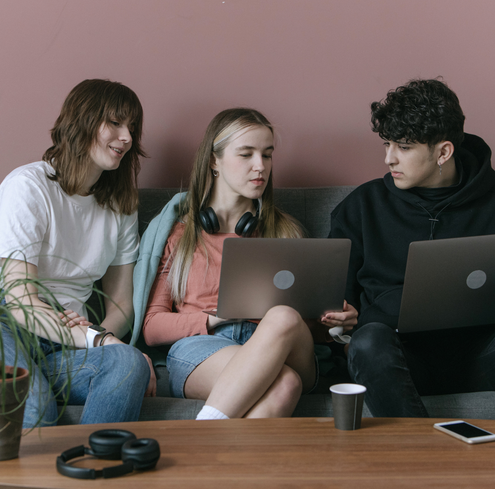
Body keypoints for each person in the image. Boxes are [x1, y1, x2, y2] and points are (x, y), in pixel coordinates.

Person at [136, 108, 357, 419]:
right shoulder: (180, 235)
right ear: (214, 160)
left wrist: (335, 319)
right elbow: (152, 327)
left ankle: (200, 432)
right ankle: (223, 459)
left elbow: (306, 326)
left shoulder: (285, 231)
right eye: (246, 154)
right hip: (203, 348)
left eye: (267, 155)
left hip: (284, 346)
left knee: (282, 316)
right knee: (285, 384)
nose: (260, 167)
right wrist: (216, 317)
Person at [330, 78, 495, 417]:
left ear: (443, 152)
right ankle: (425, 455)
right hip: (395, 358)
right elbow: (334, 301)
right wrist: (340, 317)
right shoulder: (363, 205)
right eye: (387, 144)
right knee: (368, 342)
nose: (389, 158)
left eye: (403, 147)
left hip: (482, 354)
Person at [0, 79, 156, 428]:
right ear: (81, 121)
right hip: (10, 325)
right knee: (37, 408)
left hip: (67, 341)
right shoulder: (28, 187)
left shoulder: (120, 205)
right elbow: (19, 300)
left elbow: (121, 302)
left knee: (127, 362)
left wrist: (96, 338)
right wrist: (99, 339)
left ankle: (92, 473)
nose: (127, 137)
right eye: (115, 123)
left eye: (132, 127)